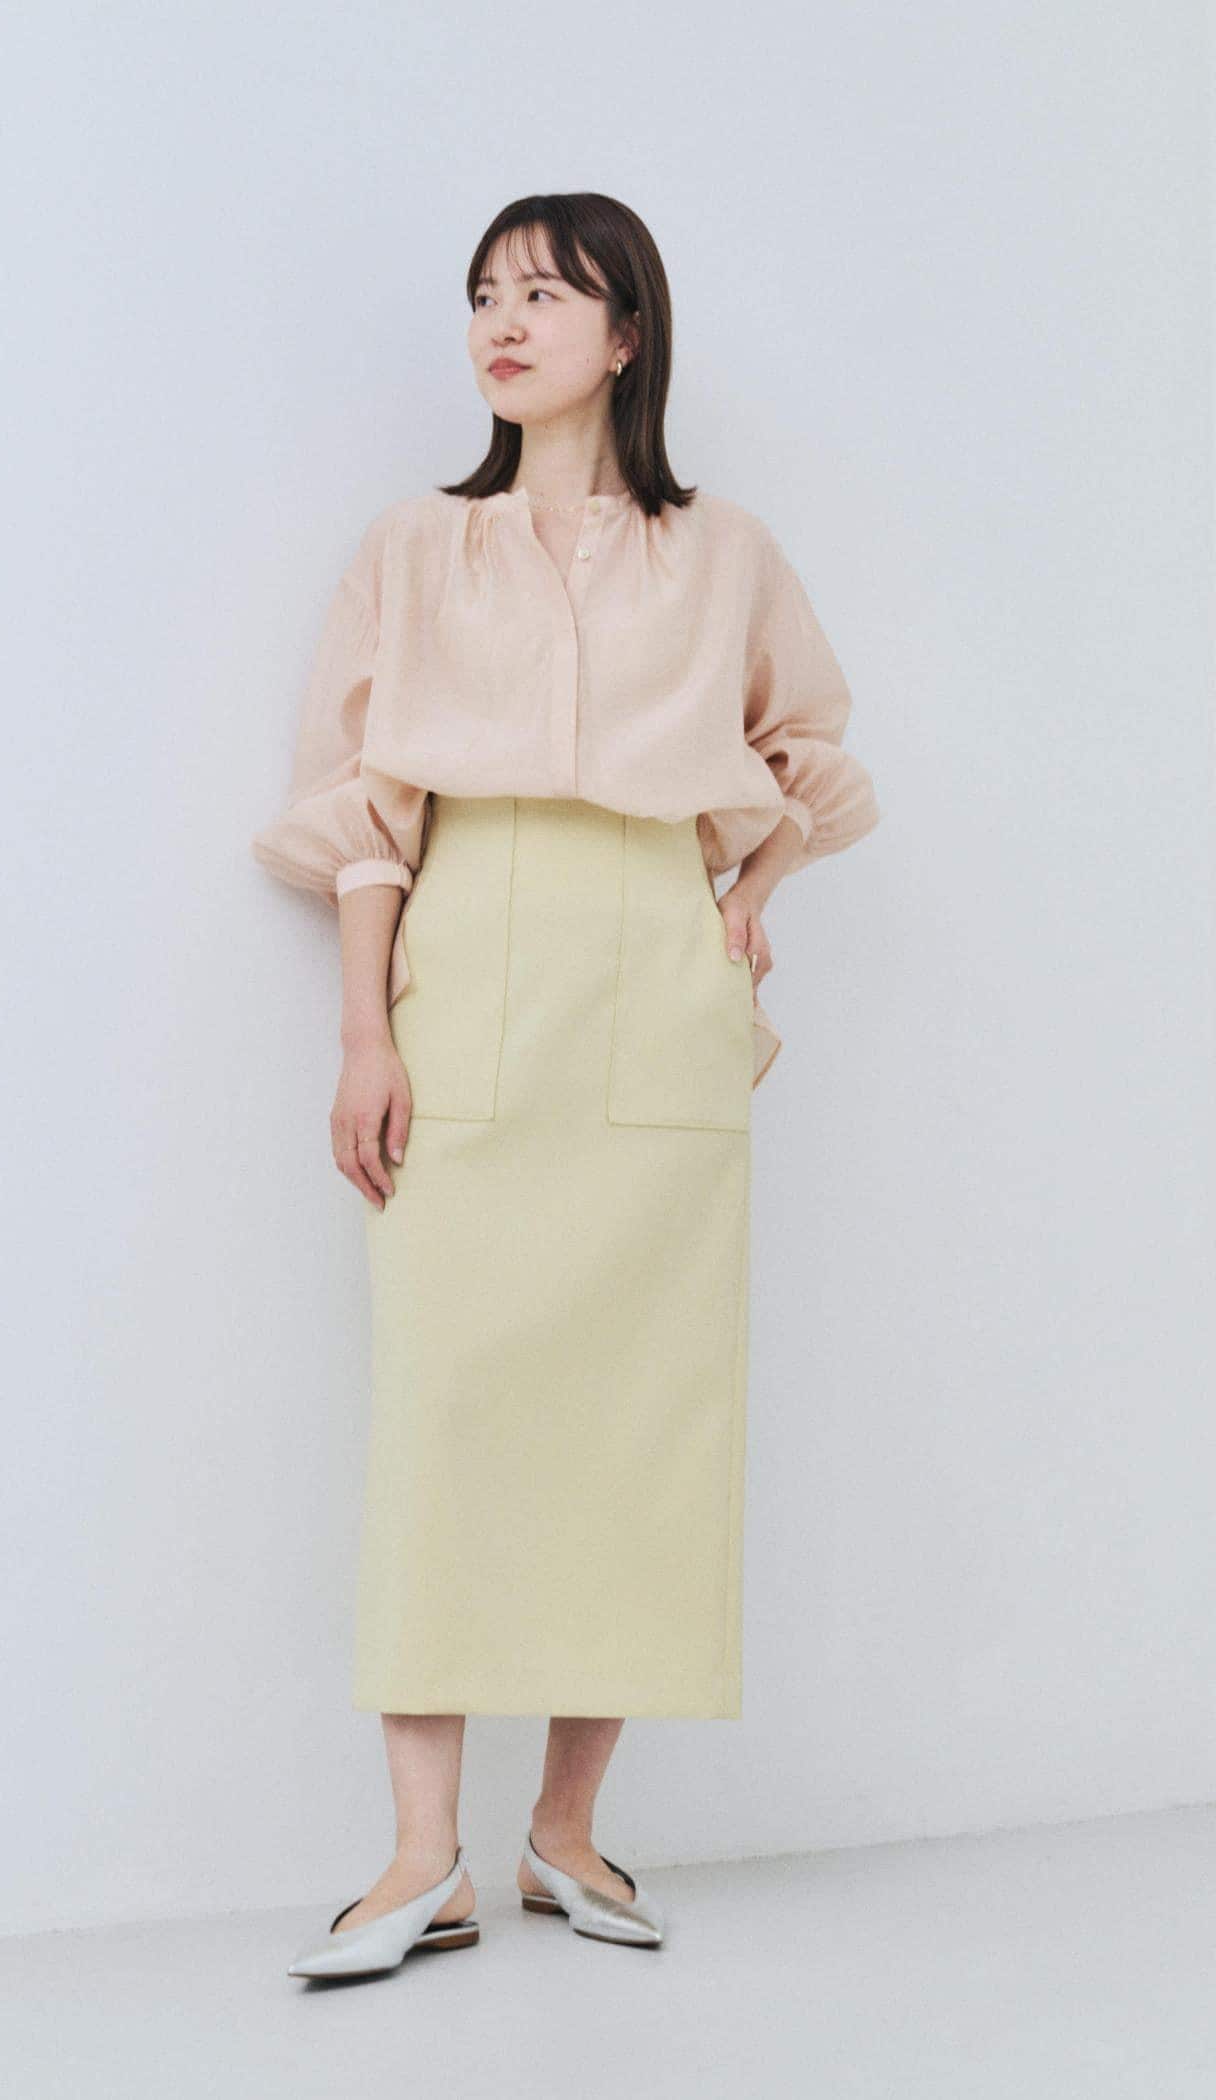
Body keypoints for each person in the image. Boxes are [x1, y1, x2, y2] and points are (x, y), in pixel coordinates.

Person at [253, 192, 882, 1982]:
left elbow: (813, 751)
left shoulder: (725, 553)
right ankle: (420, 1860)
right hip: (467, 964)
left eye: (544, 292)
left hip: (653, 979)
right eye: (484, 295)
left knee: (640, 1410)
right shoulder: (416, 550)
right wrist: (365, 1034)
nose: (502, 323)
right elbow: (366, 813)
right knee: (441, 1409)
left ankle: (566, 1834)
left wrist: (746, 901)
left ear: (627, 335)